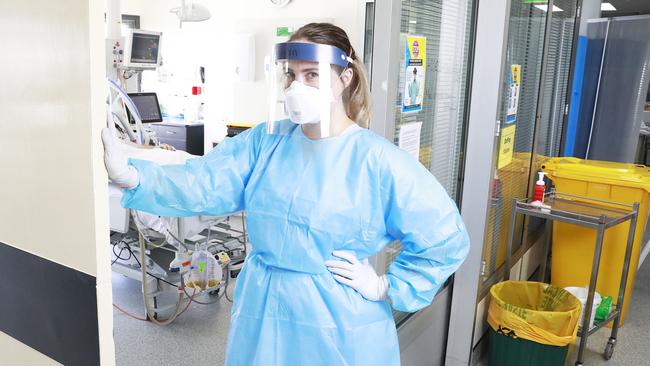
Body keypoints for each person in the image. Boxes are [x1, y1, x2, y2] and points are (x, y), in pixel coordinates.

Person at [103, 22, 469, 366]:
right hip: (264, 310)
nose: (297, 86)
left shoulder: (376, 160)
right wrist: (136, 178)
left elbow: (444, 237)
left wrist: (386, 285)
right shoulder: (267, 142)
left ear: (344, 78)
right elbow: (204, 181)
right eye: (292, 75)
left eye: (311, 75)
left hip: (338, 320)